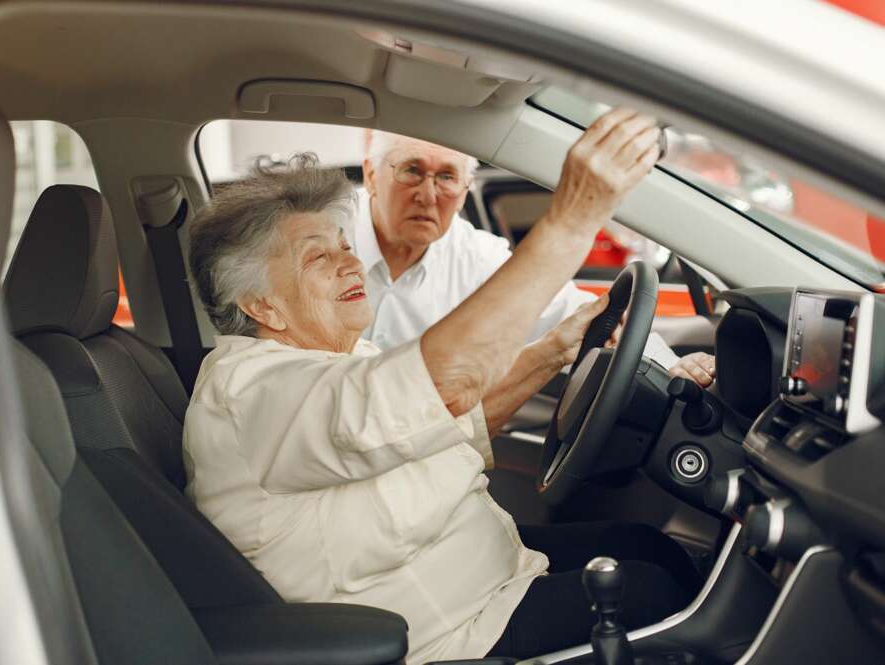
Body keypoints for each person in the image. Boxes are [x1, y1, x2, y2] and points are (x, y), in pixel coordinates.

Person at [184, 110, 700, 664]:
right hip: (445, 633)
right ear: (261, 304)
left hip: (490, 576)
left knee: (654, 550)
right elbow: (444, 387)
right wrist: (572, 219)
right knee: (660, 594)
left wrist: (558, 347)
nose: (349, 262)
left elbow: (447, 420)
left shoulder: (328, 358)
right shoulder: (252, 391)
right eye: (318, 256)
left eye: (344, 244)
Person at [356, 129, 717, 387]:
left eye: (447, 176)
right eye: (412, 170)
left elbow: (581, 314)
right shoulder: (321, 236)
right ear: (371, 176)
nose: (428, 195)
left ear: (465, 191)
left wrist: (671, 368)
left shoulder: (476, 257)